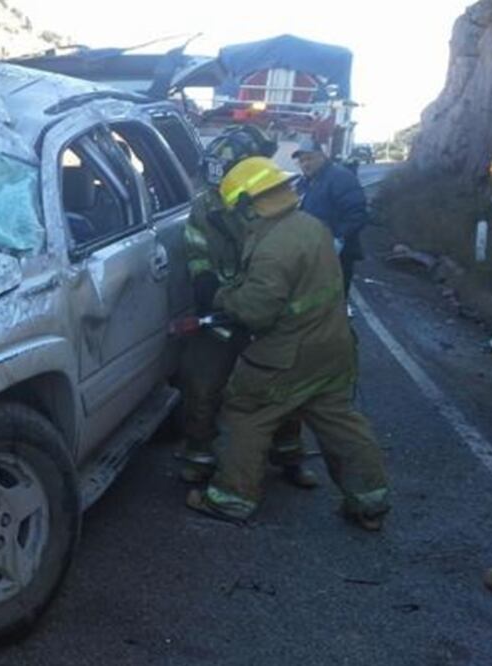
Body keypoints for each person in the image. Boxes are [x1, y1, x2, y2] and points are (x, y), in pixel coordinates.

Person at [185, 156, 390, 531]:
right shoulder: (311, 226)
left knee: (247, 412)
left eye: (239, 209)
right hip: (332, 350)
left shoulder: (273, 247)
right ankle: (370, 503)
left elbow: (255, 311)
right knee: (340, 422)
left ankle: (231, 499)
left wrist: (218, 296)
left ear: (250, 203)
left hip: (286, 357)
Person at [179, 126, 317, 489]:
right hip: (222, 310)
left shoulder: (277, 202)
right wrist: (204, 282)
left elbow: (289, 259)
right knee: (203, 381)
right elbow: (196, 245)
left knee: (282, 386)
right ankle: (199, 457)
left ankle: (288, 456)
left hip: (268, 312)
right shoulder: (207, 205)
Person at [292, 138, 370, 298]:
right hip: (313, 251)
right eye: (301, 160)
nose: (305, 164)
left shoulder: (340, 178)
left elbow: (357, 214)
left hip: (337, 256)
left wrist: (337, 238)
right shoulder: (305, 181)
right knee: (314, 298)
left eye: (309, 158)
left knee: (334, 298)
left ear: (322, 156)